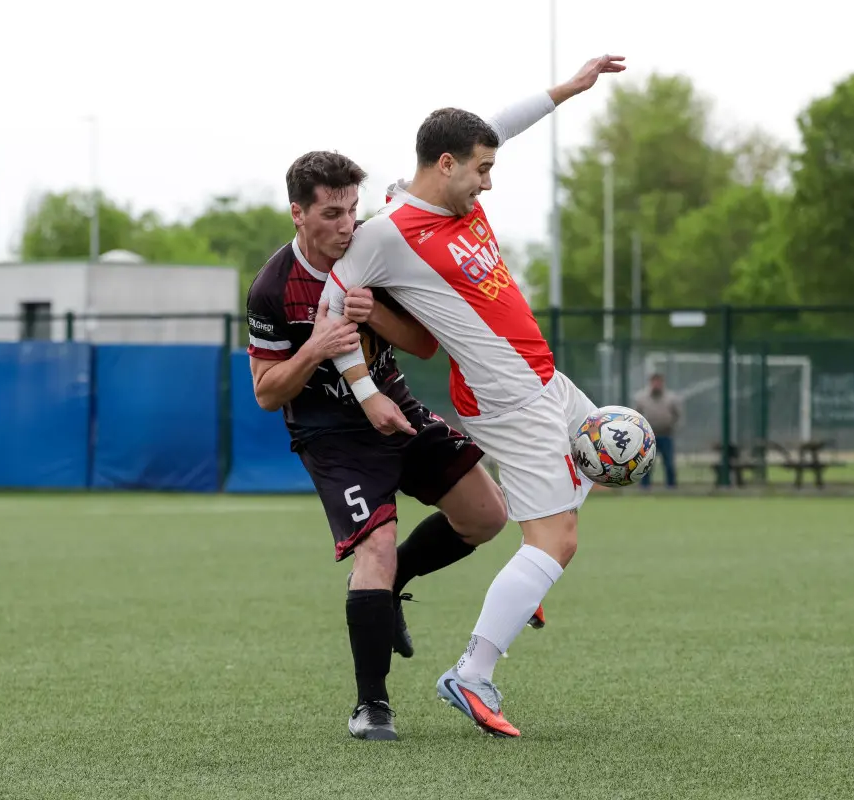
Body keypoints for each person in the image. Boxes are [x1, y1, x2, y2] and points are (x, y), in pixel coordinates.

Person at [319, 54, 626, 738]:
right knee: (557, 540)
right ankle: (473, 672)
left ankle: (526, 586)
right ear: (447, 164)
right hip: (505, 399)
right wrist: (366, 391)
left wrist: (568, 91)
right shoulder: (387, 234)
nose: (489, 182)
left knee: (597, 464)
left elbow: (499, 127)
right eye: (481, 170)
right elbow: (331, 309)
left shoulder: (452, 187)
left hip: (544, 378)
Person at [246, 151, 544, 742]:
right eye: (330, 213)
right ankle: (372, 705)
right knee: (374, 550)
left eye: (353, 210)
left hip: (398, 407)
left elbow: (425, 346)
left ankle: (393, 586)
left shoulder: (375, 256)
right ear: (297, 213)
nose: (345, 226)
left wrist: (376, 313)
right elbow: (265, 394)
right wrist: (314, 349)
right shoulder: (273, 289)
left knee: (487, 515)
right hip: (333, 436)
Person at [633, 372, 682, 487]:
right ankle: (645, 488)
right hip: (648, 437)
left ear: (662, 383)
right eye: (654, 382)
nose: (656, 385)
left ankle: (671, 487)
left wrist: (672, 426)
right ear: (650, 383)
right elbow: (636, 415)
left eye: (658, 382)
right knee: (646, 464)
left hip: (666, 435)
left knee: (669, 463)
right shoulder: (642, 398)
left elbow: (678, 415)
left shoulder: (671, 398)